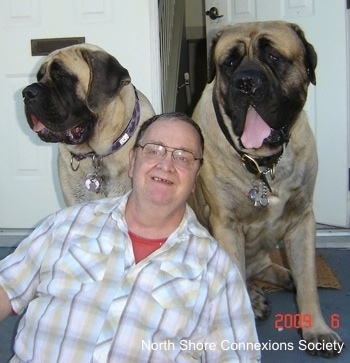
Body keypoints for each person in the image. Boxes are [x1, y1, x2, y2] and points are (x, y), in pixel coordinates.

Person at [0, 112, 261, 362]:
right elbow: (6, 287)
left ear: (195, 178)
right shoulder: (67, 225)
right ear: (133, 162)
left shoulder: (218, 271)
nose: (166, 164)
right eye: (154, 150)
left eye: (183, 157)